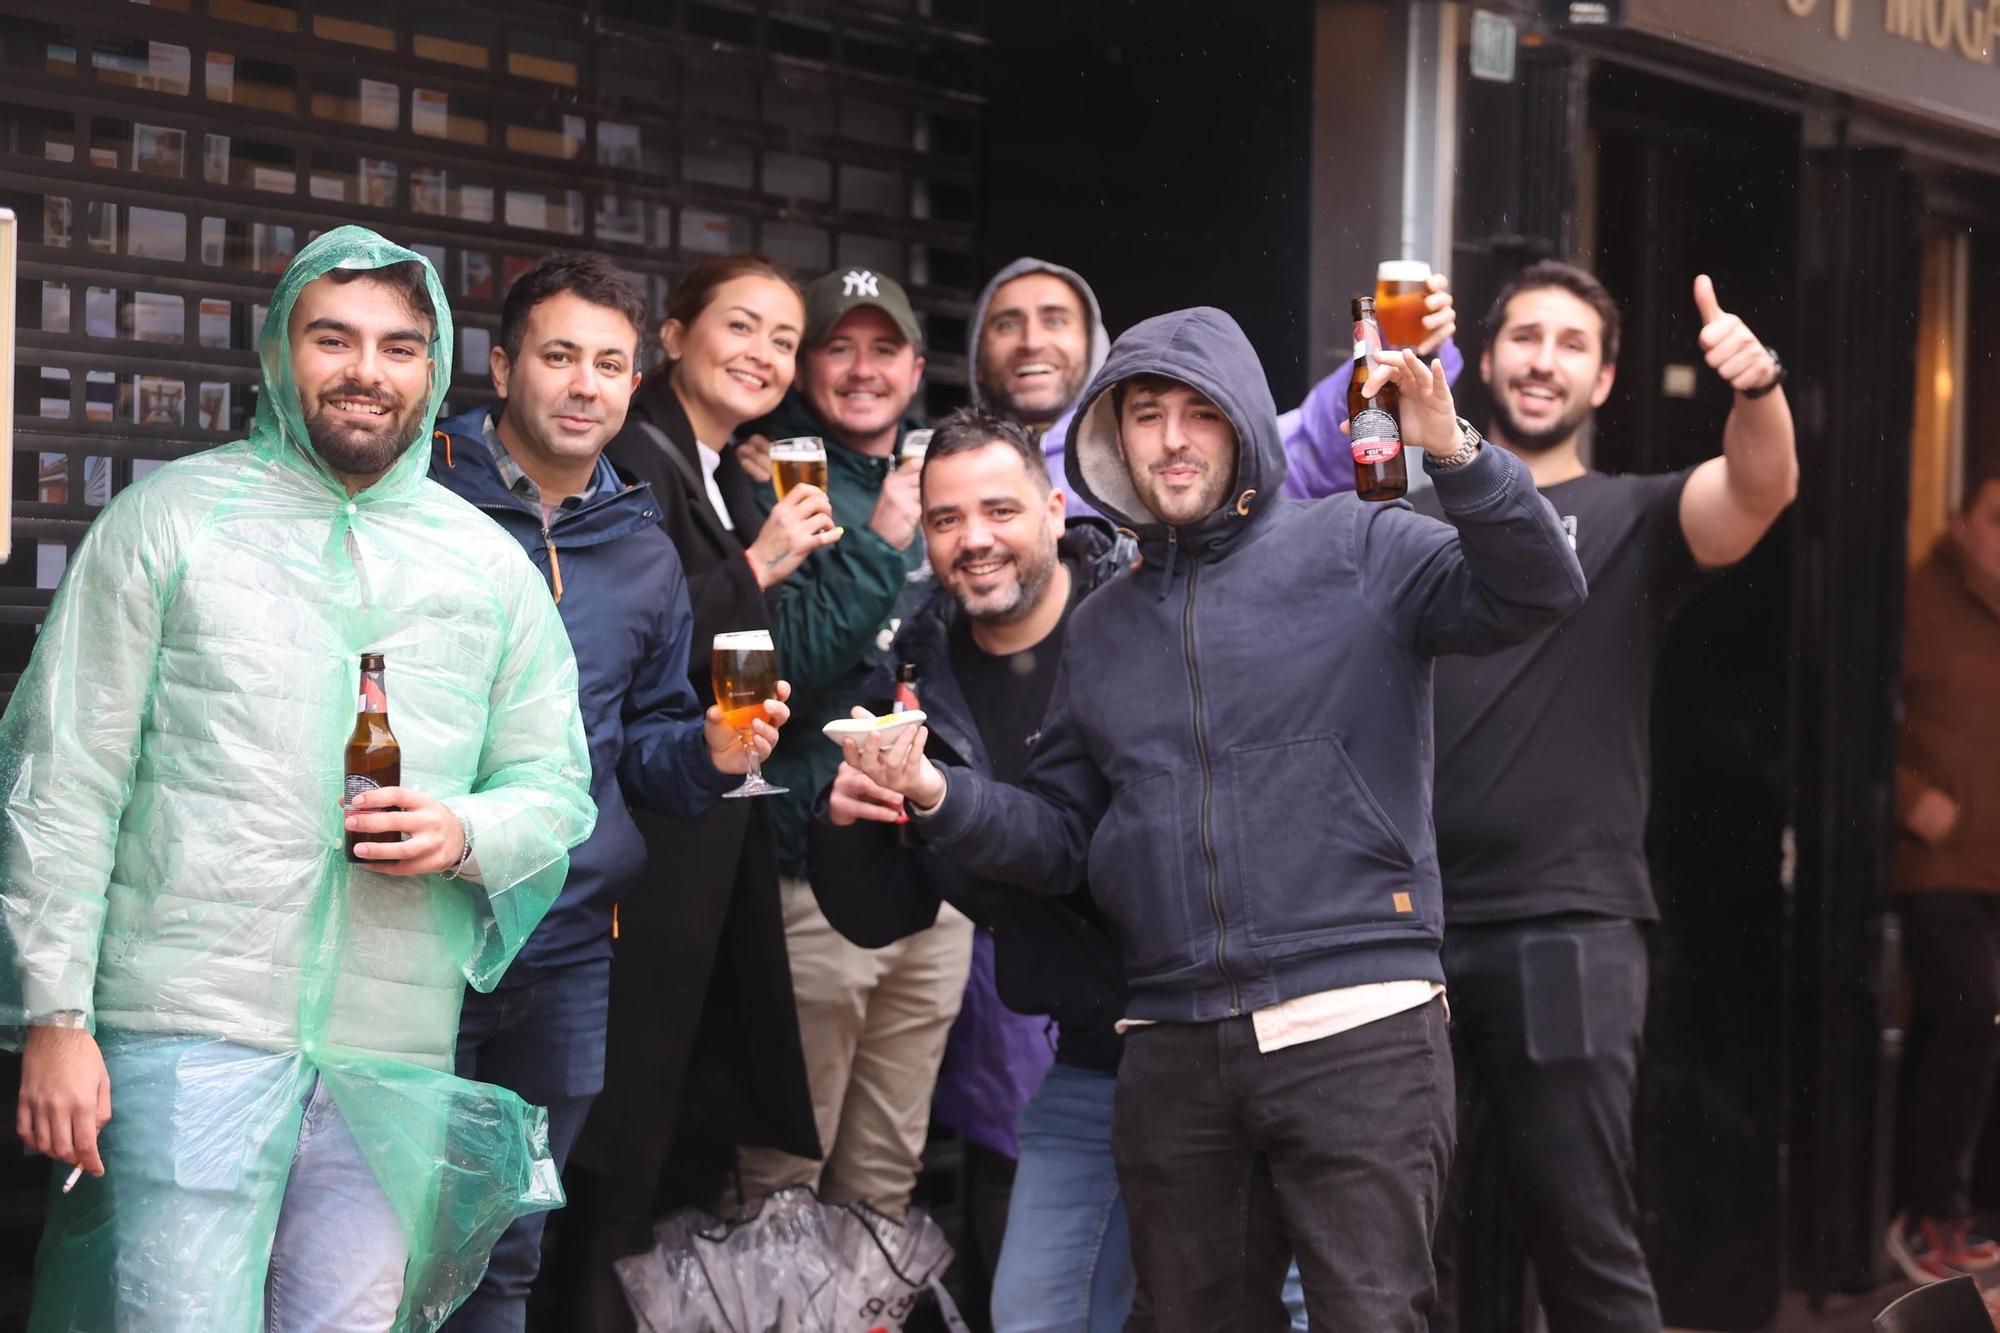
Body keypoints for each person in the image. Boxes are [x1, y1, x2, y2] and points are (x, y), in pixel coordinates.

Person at [843, 305, 1587, 1331]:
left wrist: (1453, 449)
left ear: (1243, 424)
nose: (1172, 439)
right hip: (1172, 1043)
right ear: (1112, 438)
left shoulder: (1360, 541)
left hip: (1357, 1021)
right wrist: (935, 793)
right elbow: (1059, 837)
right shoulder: (1101, 627)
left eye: (1199, 413)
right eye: (1145, 415)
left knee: (1372, 1318)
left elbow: (1539, 587)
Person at [4, 226, 597, 1332]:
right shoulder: (169, 524)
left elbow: (555, 787)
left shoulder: (484, 566)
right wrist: (56, 1014)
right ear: (279, 352)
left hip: (391, 1048)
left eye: (400, 346)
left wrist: (462, 828)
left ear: (435, 371)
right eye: (334, 337)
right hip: (189, 1029)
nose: (367, 370)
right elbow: (64, 779)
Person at [1414, 261, 1798, 1332]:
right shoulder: (1404, 514)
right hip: (1403, 933)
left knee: (1582, 1240)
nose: (1542, 359)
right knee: (1389, 1247)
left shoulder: (1633, 515)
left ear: (1606, 377)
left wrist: (1755, 389)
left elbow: (1759, 491)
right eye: (1523, 337)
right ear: (1481, 362)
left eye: (1569, 343)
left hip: (1566, 927)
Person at [428, 253, 794, 1331]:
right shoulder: (422, 502)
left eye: (608, 363)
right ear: (501, 367)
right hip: (418, 927)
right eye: (557, 357)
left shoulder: (638, 546)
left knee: (512, 1237)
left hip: (573, 941)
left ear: (636, 381)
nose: (585, 385)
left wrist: (714, 755)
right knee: (390, 1225)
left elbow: (642, 751)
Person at [807, 406, 1137, 1333]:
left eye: (1000, 510)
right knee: (1035, 1313)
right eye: (947, 519)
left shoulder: (1145, 619)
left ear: (1054, 509)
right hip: (1085, 1052)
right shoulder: (917, 672)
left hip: (1211, 1033)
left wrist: (936, 796)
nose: (974, 539)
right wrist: (845, 824)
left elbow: (1086, 848)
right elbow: (884, 915)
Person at [556, 253, 826, 1333]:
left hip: (705, 848)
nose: (763, 354)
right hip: (646, 860)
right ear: (671, 338)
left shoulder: (712, 464)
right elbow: (641, 637)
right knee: (616, 1154)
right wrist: (758, 561)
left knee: (669, 1147)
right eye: (741, 326)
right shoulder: (629, 451)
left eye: (783, 339)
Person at [730, 267, 974, 1220]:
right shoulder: (769, 483)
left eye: (884, 349)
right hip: (807, 879)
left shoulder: (956, 479)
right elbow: (784, 660)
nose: (863, 369)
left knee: (885, 1180)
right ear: (805, 368)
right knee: (783, 1174)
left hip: (932, 876)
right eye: (839, 346)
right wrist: (882, 536)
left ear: (916, 369)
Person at [1886, 463, 2000, 1283]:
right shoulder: (1916, 599)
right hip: (1936, 862)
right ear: (1962, 523)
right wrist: (1908, 795)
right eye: (1997, 518)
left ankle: (1957, 1211)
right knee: (1968, 1004)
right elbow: (1857, 709)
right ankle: (1928, 1213)